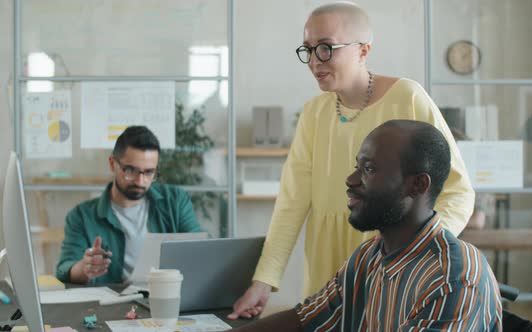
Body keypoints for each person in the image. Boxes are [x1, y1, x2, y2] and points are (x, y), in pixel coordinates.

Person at [230, 1, 475, 319]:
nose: (315, 61)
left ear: (364, 50)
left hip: (391, 264)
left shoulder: (408, 97)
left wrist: (413, 252)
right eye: (308, 49)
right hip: (325, 261)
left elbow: (459, 192)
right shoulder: (314, 112)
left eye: (327, 48)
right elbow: (292, 202)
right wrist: (264, 281)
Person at [232, 120, 502, 331]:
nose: (350, 180)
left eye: (369, 169)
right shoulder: (369, 256)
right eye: (356, 166)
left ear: (417, 184)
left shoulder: (454, 278)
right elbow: (305, 320)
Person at [56, 126, 201, 284]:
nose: (140, 181)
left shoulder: (175, 201)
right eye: (130, 170)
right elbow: (64, 270)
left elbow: (198, 248)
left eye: (149, 172)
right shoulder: (82, 216)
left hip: (165, 296)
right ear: (112, 164)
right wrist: (84, 268)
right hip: (112, 304)